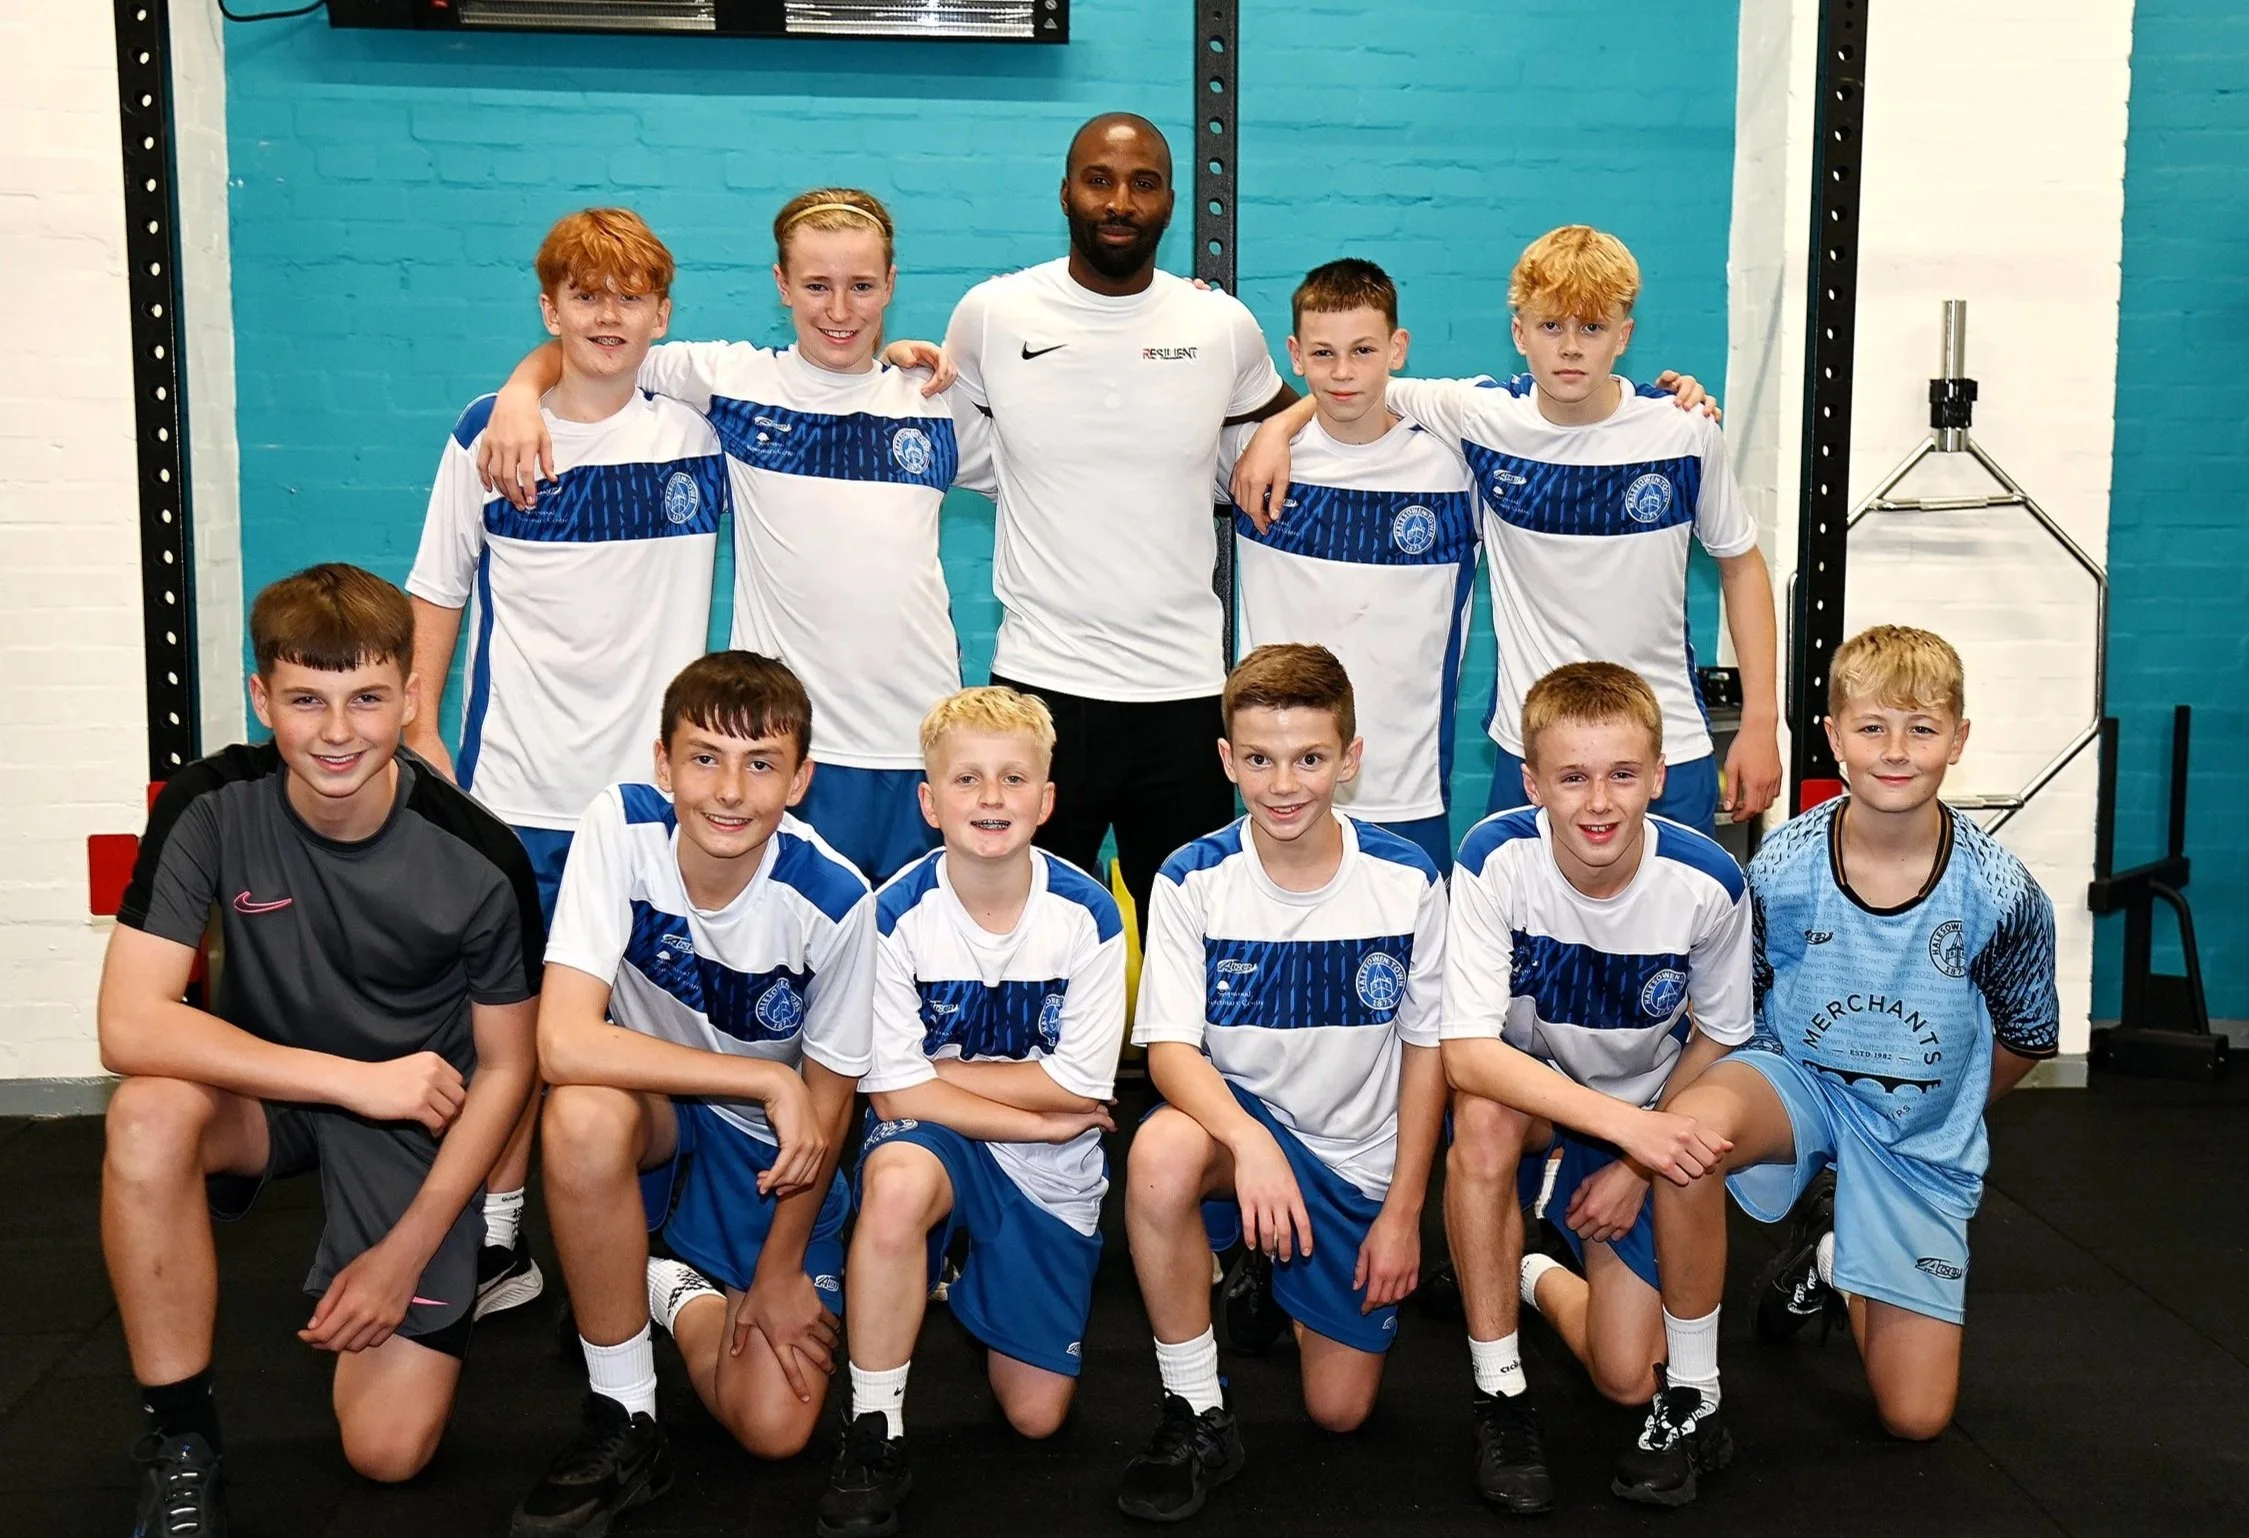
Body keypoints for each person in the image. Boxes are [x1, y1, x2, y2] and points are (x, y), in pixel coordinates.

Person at [99, 564, 543, 1537]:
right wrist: (354, 1079)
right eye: (305, 698)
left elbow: (510, 1066)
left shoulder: (478, 855)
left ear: (411, 696)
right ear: (263, 699)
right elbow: (128, 1025)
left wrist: (409, 1245)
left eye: (366, 698)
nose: (337, 731)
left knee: (387, 1452)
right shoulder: (209, 802)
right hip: (283, 1090)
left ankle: (441, 1262)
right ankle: (183, 1446)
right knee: (146, 1110)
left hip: (418, 1116)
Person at [1612, 625, 2058, 1507]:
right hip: (1800, 1087)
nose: (1895, 751)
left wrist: (1943, 1111)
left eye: (1922, 729)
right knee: (1687, 1137)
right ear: (1830, 735)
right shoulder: (1779, 866)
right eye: (1872, 728)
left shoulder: (2001, 892)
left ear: (1959, 740)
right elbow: (1739, 1014)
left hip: (1911, 1136)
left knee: (1915, 1418)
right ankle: (1693, 1394)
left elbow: (2026, 1038)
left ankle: (1825, 1254)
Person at [406, 206, 729, 1321]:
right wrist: (417, 727)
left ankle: (641, 1247)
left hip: (653, 810)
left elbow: (819, 383)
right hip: (519, 794)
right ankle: (499, 1239)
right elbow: (437, 588)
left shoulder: (697, 432)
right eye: (582, 296)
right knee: (513, 1032)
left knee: (640, 1038)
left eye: (628, 295)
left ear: (661, 315)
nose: (606, 314)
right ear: (548, 309)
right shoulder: (485, 438)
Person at [477, 188, 994, 884]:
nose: (839, 311)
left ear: (890, 287)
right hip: (783, 752)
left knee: (906, 972)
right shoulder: (735, 383)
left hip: (918, 745)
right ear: (782, 285)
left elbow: (1045, 480)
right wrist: (517, 392)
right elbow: (598, 350)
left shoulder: (931, 400)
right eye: (816, 286)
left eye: (861, 287)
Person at [1232, 224, 1781, 836]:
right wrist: (1275, 431)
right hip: (1533, 755)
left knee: (1675, 932)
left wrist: (1761, 721)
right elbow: (1349, 386)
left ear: (1624, 336)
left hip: (1665, 748)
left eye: (1592, 328)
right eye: (1551, 327)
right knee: (1526, 933)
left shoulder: (1684, 431)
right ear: (1520, 333)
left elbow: (1740, 563)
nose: (1570, 348)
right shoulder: (1485, 419)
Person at [510, 651, 874, 1537]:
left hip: (770, 1152)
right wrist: (754, 1073)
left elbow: (825, 1108)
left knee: (776, 1428)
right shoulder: (619, 825)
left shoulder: (835, 899)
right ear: (662, 765)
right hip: (658, 1112)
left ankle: (665, 1287)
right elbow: (560, 1041)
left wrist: (781, 1270)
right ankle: (625, 1413)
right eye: (704, 757)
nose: (729, 790)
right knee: (581, 1115)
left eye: (760, 764)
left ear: (800, 782)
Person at [939, 112, 1298, 923]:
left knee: (1192, 929)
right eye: (1098, 179)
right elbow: (955, 444)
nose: (1119, 201)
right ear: (1065, 192)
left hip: (1181, 691)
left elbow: (1289, 416)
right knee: (1022, 924)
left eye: (1142, 183)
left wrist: (1278, 427)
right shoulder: (994, 314)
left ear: (1170, 202)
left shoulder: (1218, 324)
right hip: (1042, 687)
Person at [1117, 643, 1447, 1523]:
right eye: (1258, 759)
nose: (1283, 783)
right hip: (1243, 1133)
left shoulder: (1408, 880)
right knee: (1158, 1155)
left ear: (1350, 759)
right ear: (1226, 761)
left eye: (1308, 758)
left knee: (1339, 1414)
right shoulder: (1191, 878)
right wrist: (1250, 1141)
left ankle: (1267, 1272)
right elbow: (1170, 1053)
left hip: (1353, 1162)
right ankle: (1195, 1407)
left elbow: (1428, 1055)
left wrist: (1404, 1212)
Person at [1438, 662, 1754, 1513]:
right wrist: (1628, 1131)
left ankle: (1533, 1270)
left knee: (1623, 1379)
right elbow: (1466, 1052)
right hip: (1544, 1102)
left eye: (1621, 774)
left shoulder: (1708, 883)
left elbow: (1722, 1035)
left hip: (1644, 1111)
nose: (1597, 803)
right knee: (1484, 1115)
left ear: (1658, 775)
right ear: (1532, 781)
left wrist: (1635, 1154)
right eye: (1570, 778)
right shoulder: (1492, 859)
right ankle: (1499, 1394)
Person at [818, 686, 1127, 1538]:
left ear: (1047, 800)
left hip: (1046, 1173)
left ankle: (970, 1274)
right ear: (928, 800)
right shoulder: (891, 914)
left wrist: (948, 1073)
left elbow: (1085, 1083)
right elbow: (892, 1095)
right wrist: (1034, 1112)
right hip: (946, 1143)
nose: (990, 799)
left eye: (1012, 779)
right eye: (966, 780)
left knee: (1037, 1419)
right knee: (893, 1182)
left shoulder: (1089, 915)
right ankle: (875, 1424)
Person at [1216, 258, 1479, 875]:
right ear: (1295, 355)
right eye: (1323, 353)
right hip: (1278, 789)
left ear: (1398, 348)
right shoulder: (1250, 461)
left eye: (1363, 350)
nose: (1342, 373)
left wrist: (1673, 400)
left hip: (1407, 789)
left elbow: (1565, 428)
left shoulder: (1456, 466)